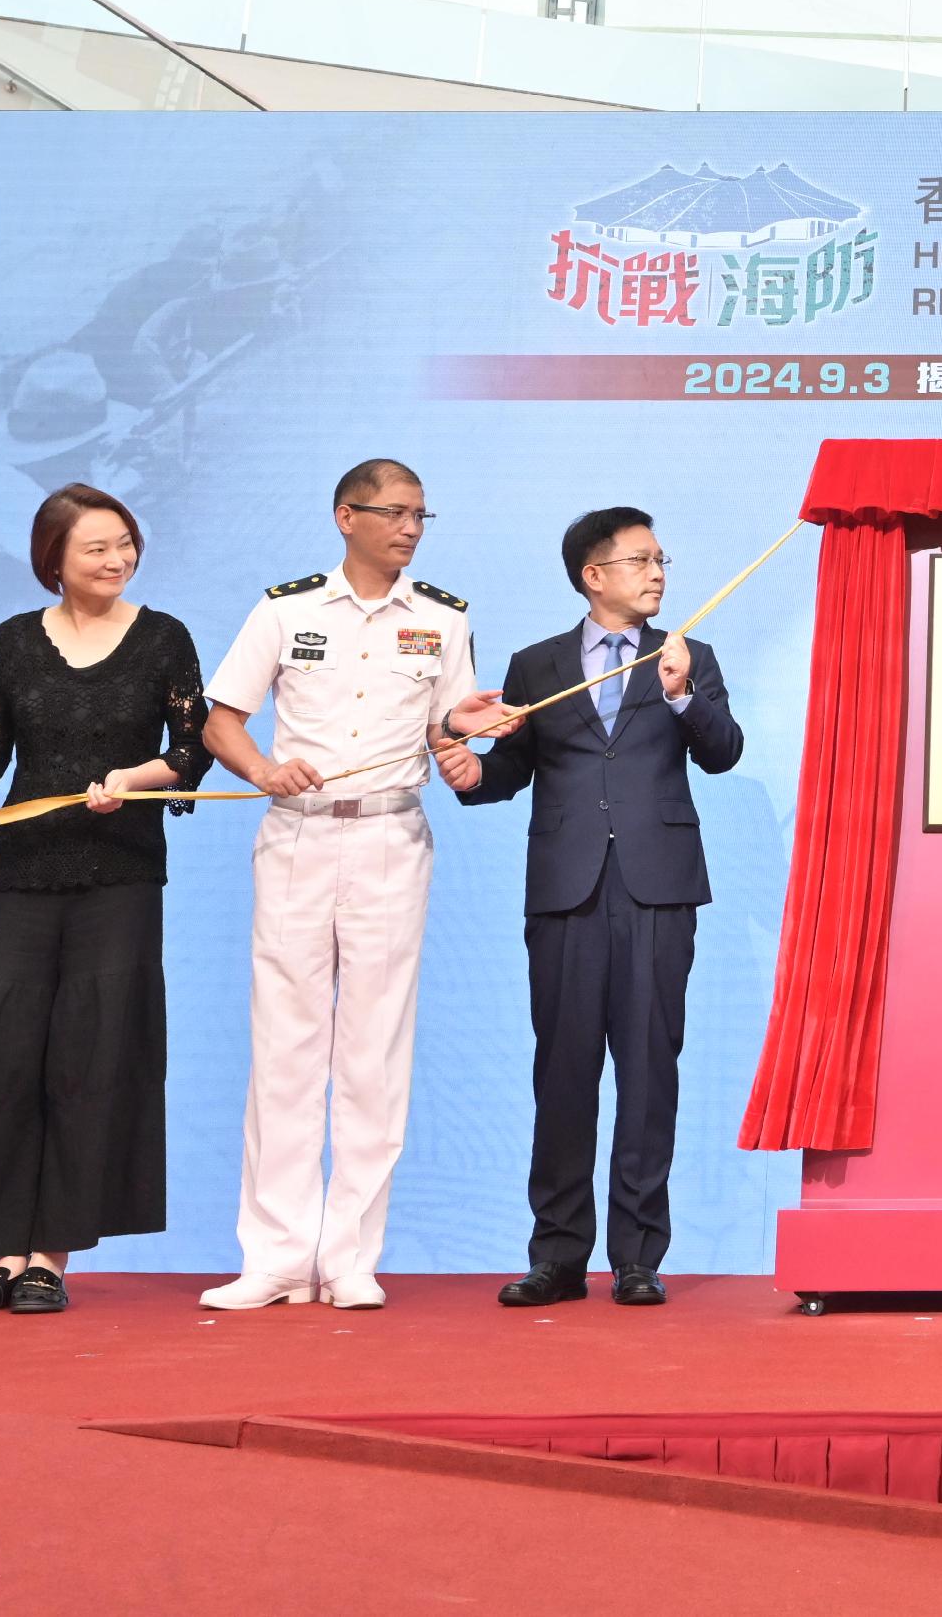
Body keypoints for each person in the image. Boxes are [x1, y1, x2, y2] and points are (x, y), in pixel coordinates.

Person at [194, 457, 506, 1310]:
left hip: (390, 836)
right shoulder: (286, 607)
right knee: (286, 1048)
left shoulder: (443, 619)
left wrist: (466, 743)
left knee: (374, 1049)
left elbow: (452, 730)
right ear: (345, 516)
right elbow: (221, 717)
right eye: (394, 512)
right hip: (298, 835)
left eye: (420, 514)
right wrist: (262, 767)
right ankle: (275, 1256)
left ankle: (352, 1255)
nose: (409, 527)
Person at [0, 484, 212, 1314]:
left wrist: (131, 778)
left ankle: (50, 1256)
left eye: (125, 544)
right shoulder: (12, 640)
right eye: (95, 549)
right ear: (53, 560)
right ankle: (2, 1254)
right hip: (23, 872)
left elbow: (188, 750)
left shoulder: (163, 637)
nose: (115, 561)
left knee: (91, 1054)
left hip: (120, 873)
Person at [451, 506, 748, 1308]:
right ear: (595, 575)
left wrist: (684, 697)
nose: (658, 574)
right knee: (565, 1072)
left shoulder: (687, 656)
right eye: (641, 560)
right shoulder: (538, 664)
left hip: (659, 886)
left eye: (662, 560)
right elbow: (509, 766)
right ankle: (557, 1256)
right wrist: (471, 773)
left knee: (651, 1071)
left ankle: (639, 1255)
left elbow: (724, 753)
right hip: (566, 888)